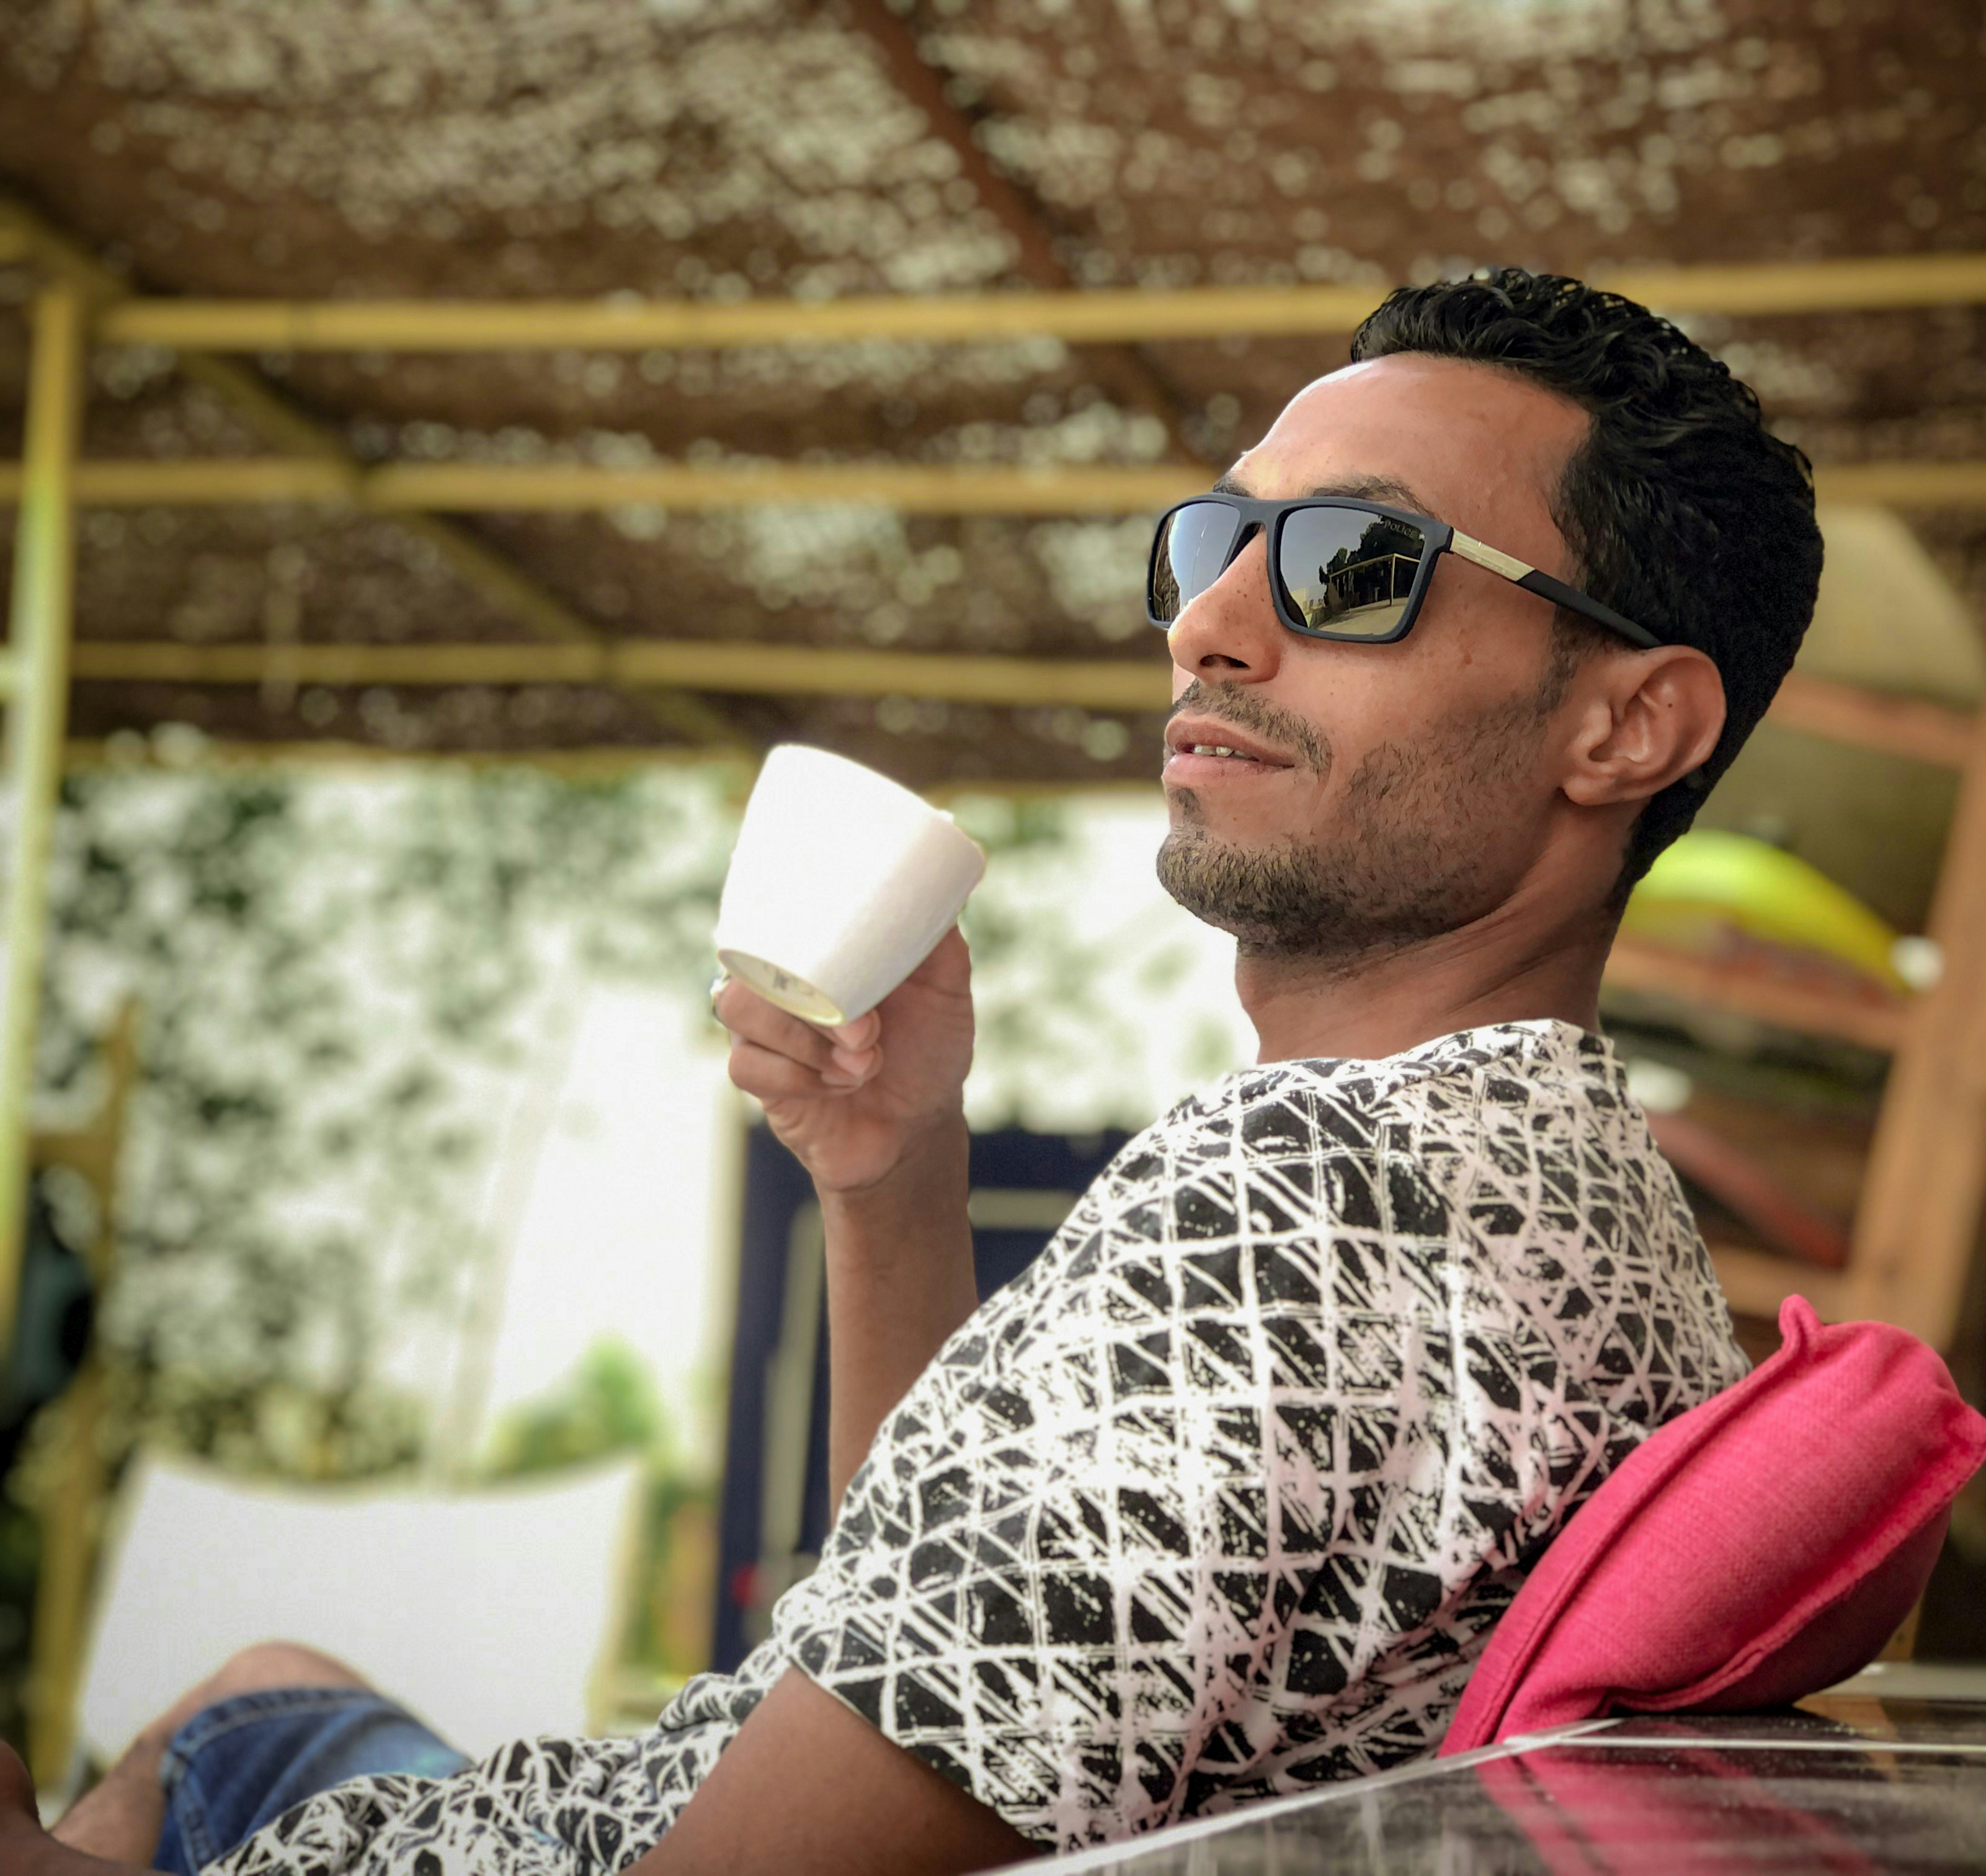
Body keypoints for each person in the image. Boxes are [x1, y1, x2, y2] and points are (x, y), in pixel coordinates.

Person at [1, 266, 1822, 1876]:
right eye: (1214, 544)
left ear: (1626, 724)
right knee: (265, 1693)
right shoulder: (1582, 1193)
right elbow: (953, 1649)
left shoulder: (1313, 1188)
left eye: (1357, 565)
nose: (1210, 626)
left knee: (206, 1754)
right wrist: (895, 1180)